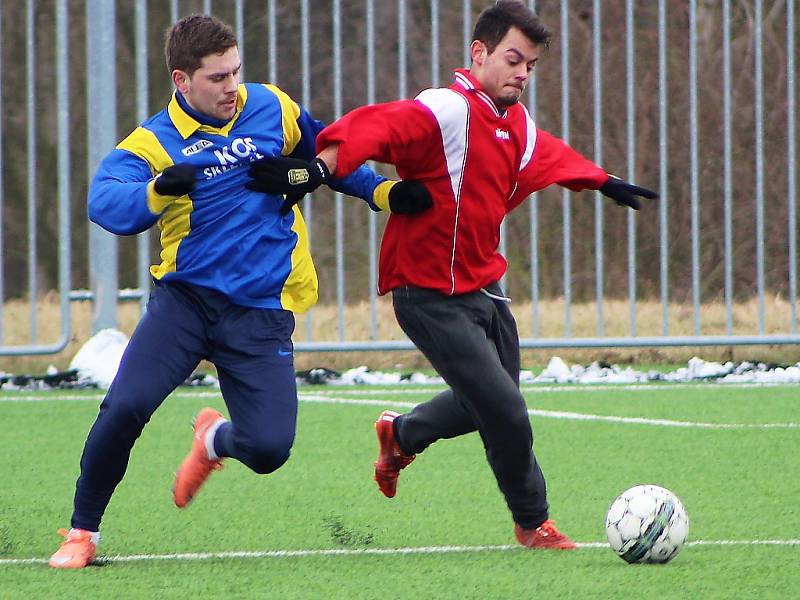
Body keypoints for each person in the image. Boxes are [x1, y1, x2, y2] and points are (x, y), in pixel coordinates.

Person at [248, 0, 657, 550]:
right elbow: (378, 126)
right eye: (513, 59)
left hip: (486, 287)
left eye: (531, 65)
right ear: (479, 53)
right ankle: (532, 522)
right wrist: (324, 166)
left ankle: (401, 434)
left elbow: (549, 155)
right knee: (505, 411)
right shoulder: (446, 108)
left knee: (487, 402)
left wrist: (599, 179)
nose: (522, 73)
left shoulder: (515, 121)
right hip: (427, 292)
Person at [48, 14, 431, 569]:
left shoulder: (270, 106)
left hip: (259, 312)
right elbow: (104, 201)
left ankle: (213, 440)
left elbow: (329, 152)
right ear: (182, 81)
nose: (233, 87)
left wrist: (384, 193)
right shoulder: (155, 141)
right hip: (186, 306)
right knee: (125, 407)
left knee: (270, 449)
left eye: (237, 72)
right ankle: (82, 533)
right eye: (218, 78)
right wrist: (156, 191)